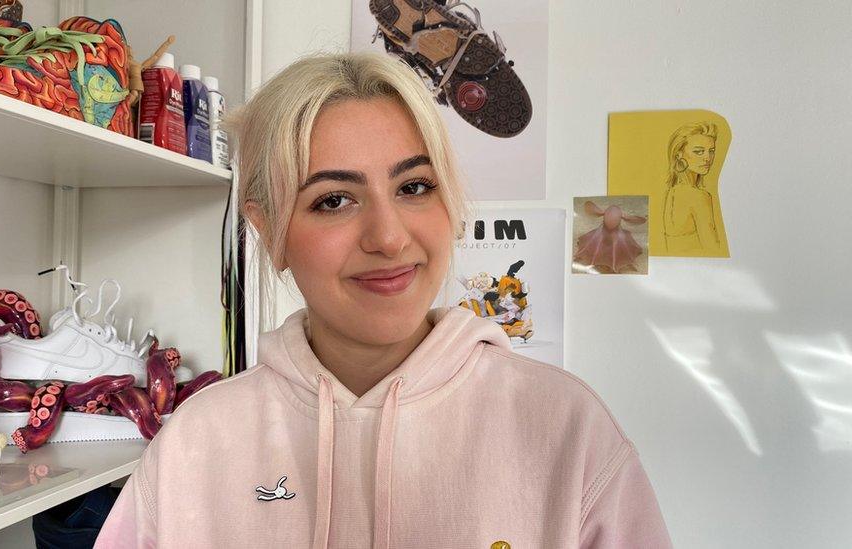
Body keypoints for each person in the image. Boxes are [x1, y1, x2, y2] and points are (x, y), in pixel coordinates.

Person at [94, 51, 671, 548]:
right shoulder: (196, 443)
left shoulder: (565, 428)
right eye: (334, 200)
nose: (390, 238)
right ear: (270, 233)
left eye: (414, 187)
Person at [662, 122, 721, 253]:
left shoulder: (671, 192)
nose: (708, 158)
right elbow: (714, 251)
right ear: (678, 154)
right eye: (699, 151)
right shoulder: (699, 197)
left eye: (711, 151)